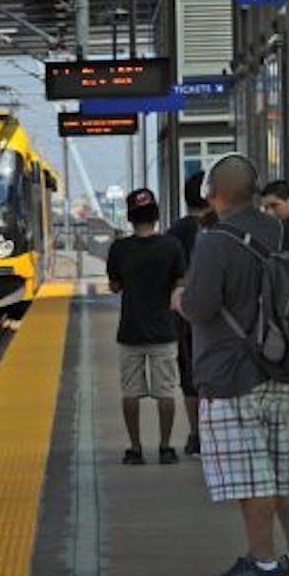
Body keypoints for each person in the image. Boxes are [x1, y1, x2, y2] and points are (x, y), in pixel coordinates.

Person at [176, 154, 289, 576]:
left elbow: (200, 307)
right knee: (283, 466)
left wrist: (179, 298)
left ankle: (263, 562)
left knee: (252, 475)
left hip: (231, 372)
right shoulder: (277, 230)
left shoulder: (214, 241)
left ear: (214, 195)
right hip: (276, 364)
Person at [106, 187, 187, 465]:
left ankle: (135, 448)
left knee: (130, 393)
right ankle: (165, 448)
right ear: (156, 214)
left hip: (130, 331)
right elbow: (180, 280)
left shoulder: (119, 248)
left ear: (130, 217)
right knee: (166, 392)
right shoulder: (171, 246)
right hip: (164, 331)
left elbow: (115, 286)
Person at [164, 172, 211, 455]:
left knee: (189, 376)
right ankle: (213, 432)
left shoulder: (174, 233)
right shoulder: (219, 228)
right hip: (214, 314)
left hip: (182, 316)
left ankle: (196, 435)